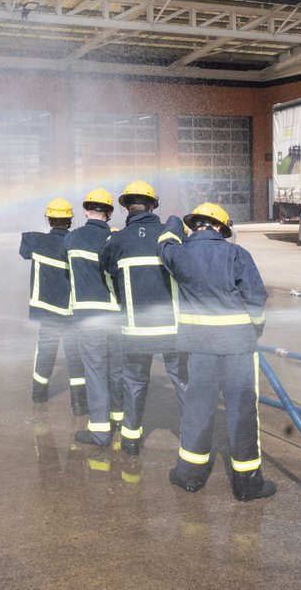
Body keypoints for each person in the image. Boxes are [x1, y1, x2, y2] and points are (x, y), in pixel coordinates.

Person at [157, 202, 274, 502]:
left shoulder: (180, 254)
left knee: (197, 408)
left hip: (199, 350)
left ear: (193, 226)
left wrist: (173, 223)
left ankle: (190, 476)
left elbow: (163, 244)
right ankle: (247, 485)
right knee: (242, 411)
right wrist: (255, 329)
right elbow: (255, 297)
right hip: (238, 348)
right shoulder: (237, 254)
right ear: (222, 228)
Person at [99, 180, 187, 456]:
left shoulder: (116, 241)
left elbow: (108, 272)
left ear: (126, 207)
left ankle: (131, 440)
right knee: (183, 383)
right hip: (172, 329)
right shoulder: (168, 235)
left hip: (135, 330)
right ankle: (192, 436)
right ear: (152, 206)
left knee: (134, 384)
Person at [65, 188, 125, 444]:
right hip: (114, 315)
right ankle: (120, 419)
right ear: (109, 213)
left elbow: (69, 272)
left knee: (96, 371)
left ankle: (100, 430)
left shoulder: (71, 239)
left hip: (87, 317)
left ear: (85, 210)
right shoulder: (115, 239)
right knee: (116, 369)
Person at [19, 197, 86, 415]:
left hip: (47, 312)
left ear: (49, 219)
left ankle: (38, 396)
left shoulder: (35, 241)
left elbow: (23, 250)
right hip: (71, 313)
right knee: (75, 356)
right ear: (70, 221)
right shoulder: (75, 242)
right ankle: (78, 405)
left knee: (45, 353)